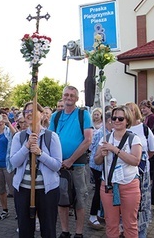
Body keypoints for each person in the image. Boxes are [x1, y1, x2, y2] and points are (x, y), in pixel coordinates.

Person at [10, 101, 62, 238]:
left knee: (48, 229)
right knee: (25, 229)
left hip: (47, 190)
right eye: (26, 111)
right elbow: (14, 162)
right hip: (23, 189)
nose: (29, 113)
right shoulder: (18, 137)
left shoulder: (52, 137)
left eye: (33, 110)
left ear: (42, 114)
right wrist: (26, 146)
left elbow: (57, 165)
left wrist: (40, 154)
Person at [49, 86, 93, 238]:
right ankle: (65, 231)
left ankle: (79, 233)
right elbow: (50, 139)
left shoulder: (83, 114)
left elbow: (88, 140)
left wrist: (71, 159)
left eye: (72, 95)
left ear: (76, 98)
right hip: (60, 167)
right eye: (66, 95)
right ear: (62, 97)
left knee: (80, 200)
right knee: (62, 200)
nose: (68, 97)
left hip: (78, 166)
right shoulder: (55, 116)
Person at [95, 106, 142, 238]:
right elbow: (97, 161)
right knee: (111, 223)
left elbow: (135, 161)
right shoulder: (105, 138)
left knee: (130, 224)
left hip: (129, 185)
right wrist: (101, 155)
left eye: (120, 118)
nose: (116, 120)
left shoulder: (134, 139)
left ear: (127, 120)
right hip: (108, 186)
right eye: (114, 118)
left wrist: (114, 149)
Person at [126, 102, 154, 238]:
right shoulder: (122, 128)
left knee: (143, 201)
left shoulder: (144, 129)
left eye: (132, 110)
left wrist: (141, 160)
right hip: (126, 173)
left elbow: (152, 149)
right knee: (127, 202)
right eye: (127, 110)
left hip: (142, 173)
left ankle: (142, 229)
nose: (130, 113)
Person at [88, 111, 112, 231]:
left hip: (104, 166)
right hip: (98, 166)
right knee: (98, 191)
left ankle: (100, 212)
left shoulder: (110, 132)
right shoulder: (101, 133)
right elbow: (91, 147)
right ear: (108, 121)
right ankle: (92, 216)